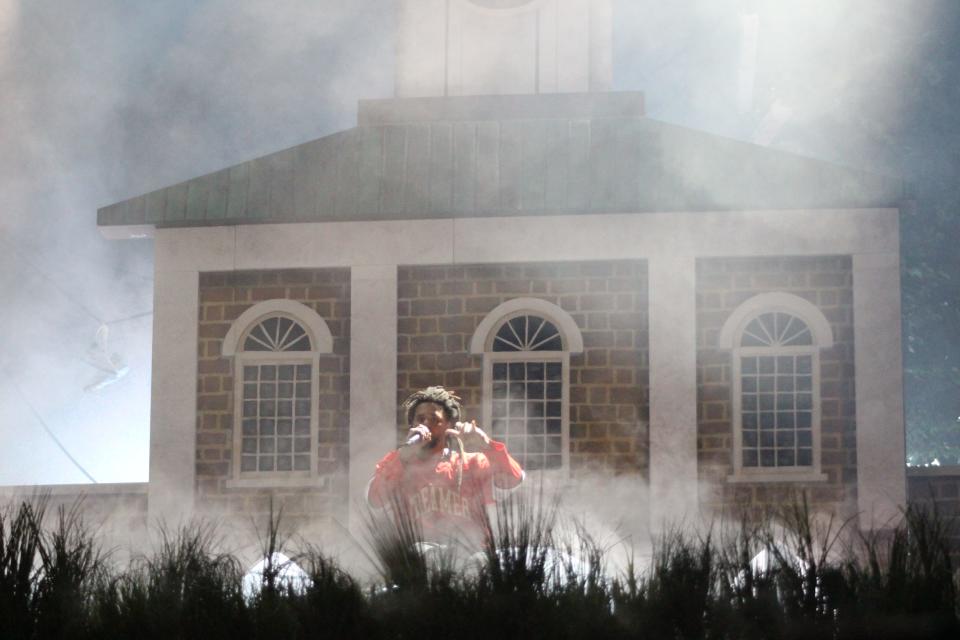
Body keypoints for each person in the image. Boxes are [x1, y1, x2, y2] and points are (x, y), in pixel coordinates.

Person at [366, 386, 525, 549]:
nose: (426, 425)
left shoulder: (471, 463)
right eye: (420, 419)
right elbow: (374, 500)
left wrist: (486, 444)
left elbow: (513, 479)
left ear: (448, 425)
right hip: (418, 559)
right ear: (412, 425)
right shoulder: (398, 464)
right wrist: (402, 458)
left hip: (469, 553)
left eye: (434, 420)